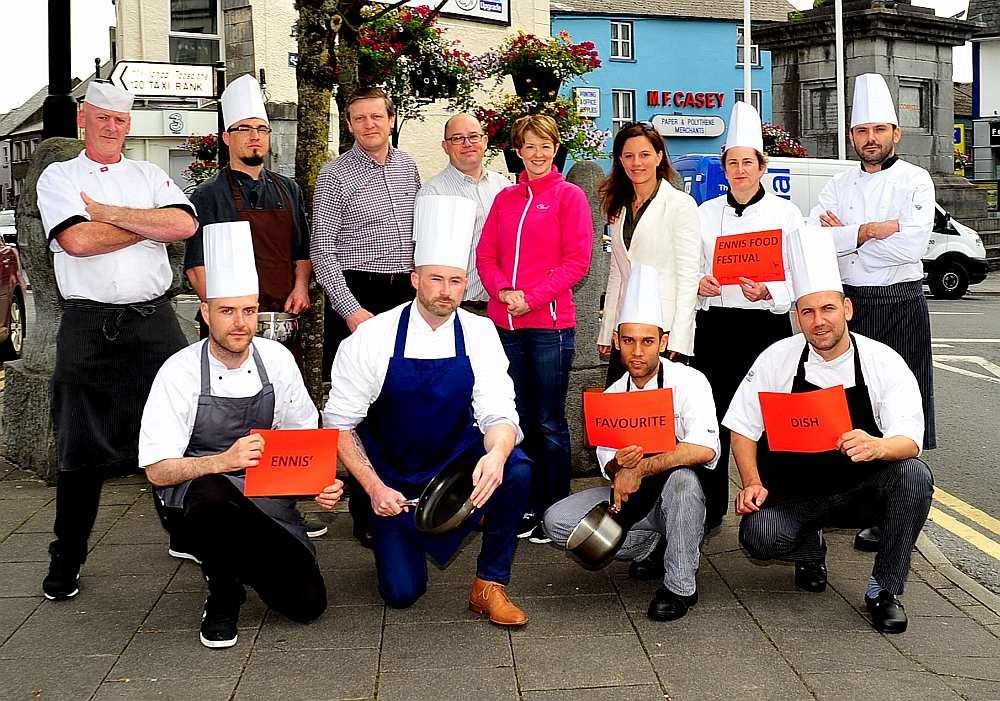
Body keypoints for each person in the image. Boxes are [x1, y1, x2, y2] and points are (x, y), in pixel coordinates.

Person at [323, 195, 532, 625]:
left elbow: (499, 411)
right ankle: (398, 536)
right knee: (402, 594)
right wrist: (373, 488)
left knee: (518, 468)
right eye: (436, 279)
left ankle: (489, 584)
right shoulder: (372, 338)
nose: (446, 292)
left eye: (456, 281)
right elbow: (340, 426)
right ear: (414, 279)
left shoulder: (480, 332)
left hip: (456, 466)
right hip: (392, 481)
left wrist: (495, 456)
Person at [139, 222, 343, 649]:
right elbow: (157, 472)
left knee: (308, 606)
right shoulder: (178, 371)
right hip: (198, 497)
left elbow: (304, 439)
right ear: (205, 312)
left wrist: (321, 484)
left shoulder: (278, 361)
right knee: (212, 495)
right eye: (227, 311)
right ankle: (223, 590)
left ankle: (238, 560)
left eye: (248, 311)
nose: (240, 323)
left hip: (264, 500)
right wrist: (222, 462)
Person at [724, 228, 932, 634]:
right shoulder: (776, 359)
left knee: (913, 476)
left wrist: (878, 446)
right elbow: (742, 429)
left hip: (860, 492)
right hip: (795, 495)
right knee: (758, 535)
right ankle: (810, 547)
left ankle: (884, 589)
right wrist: (750, 481)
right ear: (797, 315)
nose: (819, 322)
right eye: (807, 312)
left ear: (847, 308)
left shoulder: (882, 361)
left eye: (828, 309)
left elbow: (911, 441)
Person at [35, 81, 197, 601]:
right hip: (87, 327)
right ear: (85, 119)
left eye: (120, 120)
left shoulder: (149, 173)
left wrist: (106, 213)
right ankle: (66, 559)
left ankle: (185, 534)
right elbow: (76, 241)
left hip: (154, 325)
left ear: (128, 125)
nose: (111, 127)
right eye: (102, 117)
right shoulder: (59, 176)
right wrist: (148, 227)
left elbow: (184, 224)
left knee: (173, 432)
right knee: (78, 446)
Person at [544, 265, 720, 622]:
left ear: (664, 342)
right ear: (617, 340)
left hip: (686, 495)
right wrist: (618, 464)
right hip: (638, 502)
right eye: (628, 341)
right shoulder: (611, 395)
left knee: (683, 481)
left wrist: (639, 467)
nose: (637, 352)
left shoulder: (690, 381)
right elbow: (608, 464)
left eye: (647, 341)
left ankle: (680, 585)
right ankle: (657, 543)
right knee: (556, 521)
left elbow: (704, 449)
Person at [806, 74, 937, 552]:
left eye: (879, 130)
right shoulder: (837, 184)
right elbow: (819, 239)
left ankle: (894, 513)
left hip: (902, 301)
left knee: (903, 406)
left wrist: (851, 239)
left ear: (895, 134)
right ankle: (851, 499)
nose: (870, 139)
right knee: (848, 402)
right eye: (862, 131)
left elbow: (915, 243)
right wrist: (871, 232)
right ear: (852, 137)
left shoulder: (916, 180)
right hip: (852, 303)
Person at [311, 87, 421, 547]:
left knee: (403, 401)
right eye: (360, 118)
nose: (370, 125)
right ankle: (365, 511)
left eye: (377, 116)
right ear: (350, 124)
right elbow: (322, 251)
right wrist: (351, 310)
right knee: (358, 410)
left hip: (405, 290)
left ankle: (404, 499)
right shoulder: (334, 175)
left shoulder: (410, 167)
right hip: (358, 291)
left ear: (391, 119)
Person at [476, 114, 593, 544]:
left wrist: (532, 296)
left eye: (545, 145)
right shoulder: (506, 198)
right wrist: (502, 290)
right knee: (517, 418)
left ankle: (555, 507)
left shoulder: (570, 197)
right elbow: (485, 254)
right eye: (529, 146)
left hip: (549, 326)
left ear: (556, 148)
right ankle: (523, 503)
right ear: (518, 151)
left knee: (548, 422)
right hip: (505, 324)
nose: (537, 154)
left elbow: (577, 261)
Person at [690, 101, 800, 530]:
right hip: (715, 328)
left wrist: (770, 290)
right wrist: (700, 284)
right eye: (732, 162)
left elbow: (798, 277)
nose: (739, 170)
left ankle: (773, 506)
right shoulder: (704, 214)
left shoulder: (786, 215)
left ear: (762, 166)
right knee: (712, 418)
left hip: (765, 329)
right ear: (724, 167)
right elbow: (691, 267)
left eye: (746, 162)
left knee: (770, 417)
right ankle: (711, 507)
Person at [184, 74, 312, 339]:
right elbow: (196, 267)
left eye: (261, 129)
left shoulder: (289, 189)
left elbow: (301, 253)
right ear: (226, 137)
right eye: (244, 129)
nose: (254, 136)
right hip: (229, 325)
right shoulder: (208, 194)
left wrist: (300, 289)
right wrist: (226, 313)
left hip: (281, 317)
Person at [597, 122, 701, 383]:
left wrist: (680, 337)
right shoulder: (619, 208)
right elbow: (617, 274)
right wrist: (608, 328)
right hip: (627, 329)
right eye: (628, 156)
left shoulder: (680, 205)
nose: (637, 163)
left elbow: (688, 277)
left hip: (662, 331)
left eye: (644, 155)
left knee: (661, 414)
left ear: (659, 156)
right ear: (620, 160)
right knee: (621, 411)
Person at [417, 113, 510, 315]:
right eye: (457, 138)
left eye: (473, 136)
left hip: (503, 306)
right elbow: (427, 260)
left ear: (484, 142)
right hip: (459, 307)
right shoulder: (433, 193)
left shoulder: (503, 186)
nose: (467, 144)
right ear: (445, 146)